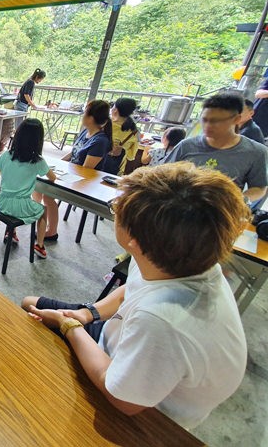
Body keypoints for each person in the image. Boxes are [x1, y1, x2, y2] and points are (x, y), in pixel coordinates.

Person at [21, 162, 248, 429]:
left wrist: (69, 325)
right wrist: (87, 314)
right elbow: (130, 290)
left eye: (117, 210)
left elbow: (122, 400)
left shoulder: (164, 321)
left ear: (135, 241)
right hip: (119, 339)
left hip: (146, 411)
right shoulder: (181, 259)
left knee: (32, 387)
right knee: (29, 304)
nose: (115, 212)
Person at [165, 92, 268, 209]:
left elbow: (259, 188)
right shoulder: (186, 145)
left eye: (216, 121)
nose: (208, 125)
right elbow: (163, 175)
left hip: (219, 213)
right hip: (179, 209)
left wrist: (239, 198)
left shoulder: (257, 152)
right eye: (205, 120)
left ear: (237, 119)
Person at [41, 99, 112, 240]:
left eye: (85, 112)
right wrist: (56, 164)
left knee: (47, 193)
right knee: (38, 184)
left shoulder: (100, 141)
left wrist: (60, 173)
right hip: (71, 173)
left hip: (84, 181)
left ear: (91, 118)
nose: (82, 115)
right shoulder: (85, 132)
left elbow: (85, 170)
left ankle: (52, 231)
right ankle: (38, 217)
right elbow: (73, 153)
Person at [0, 119, 57, 259]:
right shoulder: (38, 161)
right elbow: (52, 178)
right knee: (42, 210)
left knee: (15, 205)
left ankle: (11, 231)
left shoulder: (7, 155)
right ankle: (39, 245)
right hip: (21, 205)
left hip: (3, 203)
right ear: (38, 140)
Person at [104, 98, 139, 175]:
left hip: (97, 163)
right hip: (116, 169)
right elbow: (131, 156)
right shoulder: (135, 131)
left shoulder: (104, 124)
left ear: (115, 110)